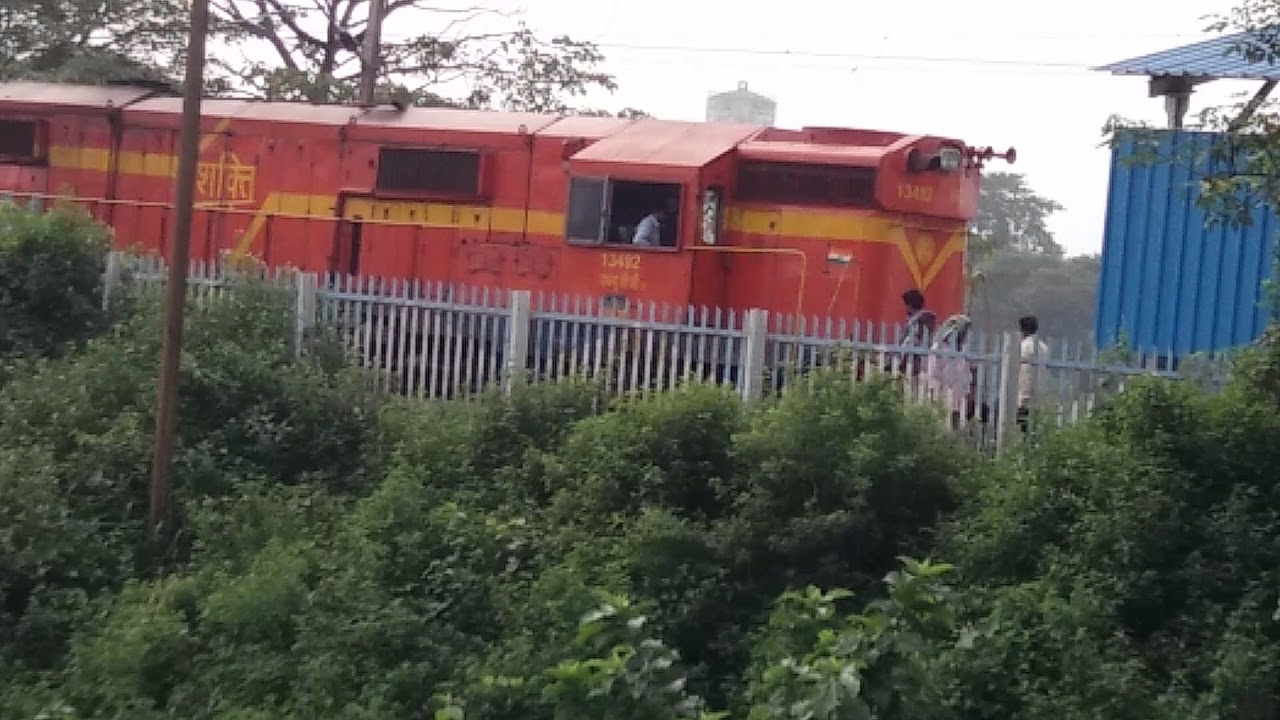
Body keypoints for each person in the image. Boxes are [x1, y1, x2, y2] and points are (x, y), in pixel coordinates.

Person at [927, 314, 973, 430]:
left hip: (960, 397)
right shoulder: (939, 348)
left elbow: (966, 373)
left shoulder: (963, 349)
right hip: (943, 394)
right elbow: (934, 374)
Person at [886, 288, 936, 376]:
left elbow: (912, 340)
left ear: (910, 305)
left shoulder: (919, 321)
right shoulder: (918, 320)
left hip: (913, 359)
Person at [1016, 314, 1050, 433]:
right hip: (1039, 397)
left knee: (1021, 429)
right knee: (1032, 430)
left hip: (1024, 396)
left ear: (1023, 330)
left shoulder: (1023, 347)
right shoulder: (1044, 348)